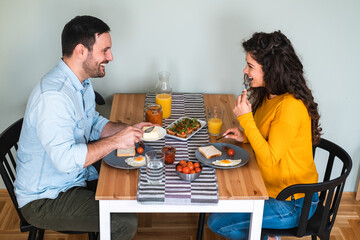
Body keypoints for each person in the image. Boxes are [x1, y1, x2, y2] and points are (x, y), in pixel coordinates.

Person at [14, 15, 152, 240]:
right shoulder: (54, 97)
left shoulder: (80, 83)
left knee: (134, 170)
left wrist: (129, 130)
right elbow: (66, 160)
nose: (110, 57)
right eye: (104, 50)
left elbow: (93, 123)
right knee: (123, 222)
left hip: (73, 177)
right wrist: (117, 141)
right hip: (46, 199)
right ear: (81, 51)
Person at [207, 31, 322, 240]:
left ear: (270, 69)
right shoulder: (269, 94)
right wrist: (246, 136)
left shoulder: (290, 107)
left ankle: (267, 237)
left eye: (250, 66)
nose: (245, 70)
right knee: (219, 204)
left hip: (292, 202)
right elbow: (268, 136)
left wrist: (246, 120)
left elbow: (269, 158)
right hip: (267, 188)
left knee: (216, 222)